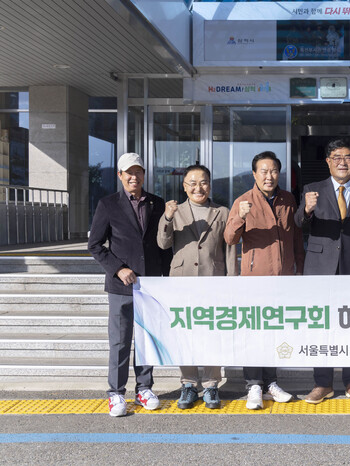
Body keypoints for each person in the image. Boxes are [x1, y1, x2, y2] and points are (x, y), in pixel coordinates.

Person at [295, 138, 350, 404]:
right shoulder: (312, 190)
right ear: (328, 162)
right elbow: (298, 224)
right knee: (321, 326)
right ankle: (322, 383)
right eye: (337, 157)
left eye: (348, 157)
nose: (343, 162)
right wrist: (307, 209)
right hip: (320, 270)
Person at [88, 152, 172, 417]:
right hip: (122, 286)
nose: (134, 177)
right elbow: (95, 245)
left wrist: (168, 279)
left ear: (144, 174)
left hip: (150, 285)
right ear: (120, 175)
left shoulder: (157, 203)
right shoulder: (108, 204)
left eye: (138, 172)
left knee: (146, 339)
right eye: (129, 172)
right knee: (120, 342)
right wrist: (118, 268)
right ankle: (115, 392)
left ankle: (144, 388)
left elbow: (163, 246)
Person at [224, 151, 301, 410]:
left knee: (274, 331)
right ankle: (253, 385)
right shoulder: (243, 201)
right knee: (254, 332)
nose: (269, 176)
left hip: (283, 279)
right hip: (254, 280)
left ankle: (271, 383)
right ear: (254, 174)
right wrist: (240, 217)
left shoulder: (288, 199)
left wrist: (299, 269)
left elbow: (295, 237)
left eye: (274, 171)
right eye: (264, 171)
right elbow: (229, 239)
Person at [157, 164, 235, 411]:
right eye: (192, 183)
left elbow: (230, 248)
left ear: (209, 185)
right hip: (182, 281)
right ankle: (189, 383)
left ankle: (211, 384)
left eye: (203, 182)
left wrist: (232, 280)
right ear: (184, 186)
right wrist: (167, 217)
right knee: (185, 333)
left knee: (213, 332)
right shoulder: (175, 211)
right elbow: (163, 243)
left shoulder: (222, 211)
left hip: (214, 279)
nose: (198, 187)